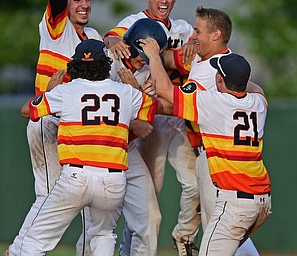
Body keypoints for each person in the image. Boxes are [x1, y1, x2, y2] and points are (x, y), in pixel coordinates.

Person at [17, 39, 162, 256]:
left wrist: (49, 92)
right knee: (103, 235)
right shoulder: (125, 93)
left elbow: (26, 111)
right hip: (113, 181)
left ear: (75, 66)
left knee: (34, 242)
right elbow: (154, 108)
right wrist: (136, 89)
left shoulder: (66, 91)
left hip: (76, 177)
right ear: (105, 65)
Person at [140, 38, 272, 255]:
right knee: (239, 247)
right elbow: (257, 89)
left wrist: (154, 55)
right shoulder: (258, 104)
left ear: (220, 79)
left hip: (234, 201)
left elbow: (164, 89)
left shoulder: (213, 103)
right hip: (262, 202)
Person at [4, 0, 102, 255]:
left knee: (83, 200)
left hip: (76, 129)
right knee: (48, 196)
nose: (84, 4)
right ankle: (17, 252)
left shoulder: (92, 36)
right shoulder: (56, 28)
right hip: (48, 120)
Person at [104, 1, 200, 255]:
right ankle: (128, 250)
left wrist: (195, 44)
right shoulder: (133, 23)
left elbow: (201, 44)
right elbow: (112, 38)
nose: (163, 1)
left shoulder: (182, 27)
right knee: (147, 198)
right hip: (148, 118)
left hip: (171, 109)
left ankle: (185, 238)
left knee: (196, 181)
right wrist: (112, 42)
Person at [164, 6, 261, 255]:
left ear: (216, 35)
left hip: (213, 156)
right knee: (227, 230)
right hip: (244, 176)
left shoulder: (215, 73)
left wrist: (152, 57)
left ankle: (183, 238)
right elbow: (259, 92)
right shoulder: (219, 66)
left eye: (197, 31)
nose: (193, 36)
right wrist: (176, 53)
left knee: (218, 230)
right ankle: (184, 237)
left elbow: (172, 101)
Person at [76, 18, 169, 256]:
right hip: (97, 153)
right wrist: (133, 116)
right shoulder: (106, 61)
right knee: (96, 229)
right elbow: (95, 113)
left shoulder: (147, 69)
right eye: (141, 54)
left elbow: (149, 116)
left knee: (150, 218)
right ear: (130, 45)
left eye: (148, 57)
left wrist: (137, 96)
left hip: (126, 151)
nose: (142, 61)